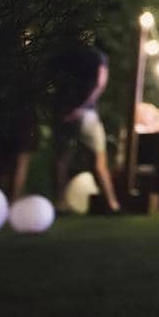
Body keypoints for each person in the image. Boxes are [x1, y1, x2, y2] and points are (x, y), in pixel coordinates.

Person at [52, 42, 119, 212]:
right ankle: (112, 204)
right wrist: (83, 107)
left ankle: (60, 204)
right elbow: (100, 84)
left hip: (65, 113)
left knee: (62, 159)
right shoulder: (97, 56)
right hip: (86, 114)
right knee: (99, 162)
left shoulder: (64, 54)